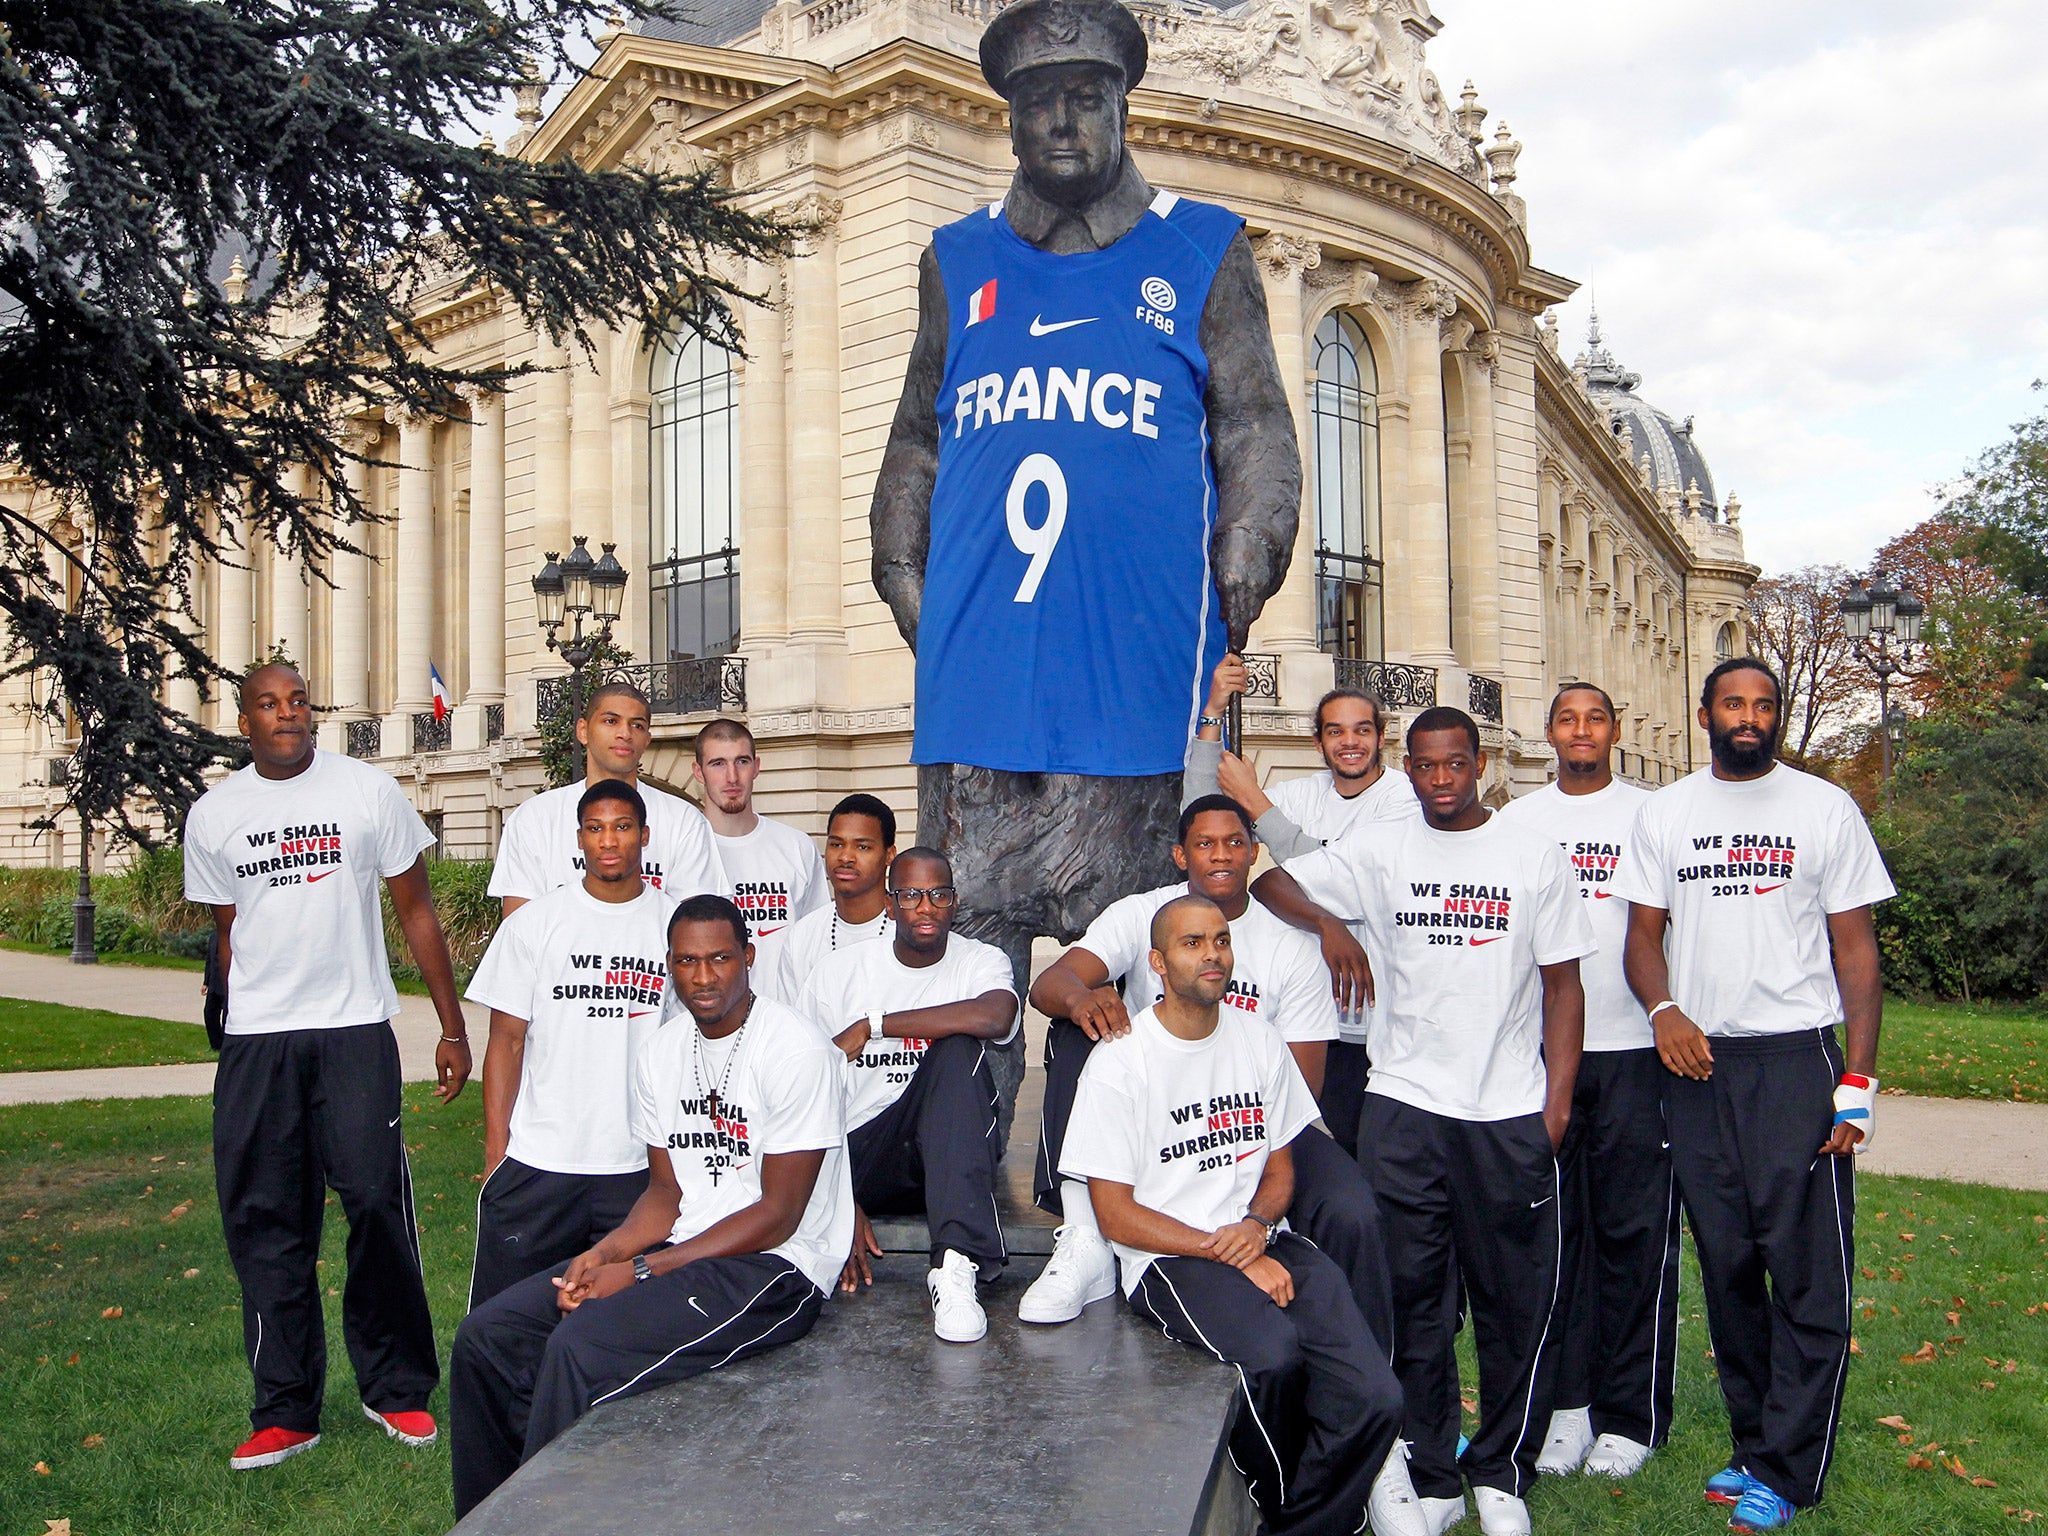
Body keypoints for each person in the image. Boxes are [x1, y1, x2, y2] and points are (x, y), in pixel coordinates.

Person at [1253, 706, 1593, 1536]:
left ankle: (1502, 1472)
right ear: (1410, 768)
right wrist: (1334, 923)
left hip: (1506, 1109)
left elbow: (1564, 987)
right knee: (1416, 1304)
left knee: (1513, 1302)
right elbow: (1270, 881)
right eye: (1427, 766)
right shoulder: (1386, 847)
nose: (1440, 780)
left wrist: (1555, 1105)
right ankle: (1434, 1472)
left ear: (1478, 765)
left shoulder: (1530, 851)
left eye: (1454, 765)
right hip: (1403, 1105)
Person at [450, 895, 852, 1518]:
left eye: (720, 958)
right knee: (488, 1336)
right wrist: (601, 1253)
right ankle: (486, 1520)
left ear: (748, 957)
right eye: (688, 961)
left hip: (777, 1267)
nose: (704, 976)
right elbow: (666, 1195)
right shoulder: (662, 1053)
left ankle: (551, 1519)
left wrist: (638, 1273)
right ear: (669, 967)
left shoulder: (795, 1049)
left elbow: (780, 1212)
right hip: (687, 1246)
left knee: (578, 1347)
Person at [1613, 657, 1893, 1535]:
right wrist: (1662, 1009)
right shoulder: (1668, 811)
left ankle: (1790, 1469)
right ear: (1705, 715)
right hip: (1698, 1066)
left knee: (1805, 1275)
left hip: (1795, 1063)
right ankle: (1754, 1442)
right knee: (1729, 1268)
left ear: (1776, 717)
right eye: (1733, 703)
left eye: (1763, 705)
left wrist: (1857, 1081)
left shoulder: (1822, 808)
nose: (1749, 717)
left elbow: (1857, 954)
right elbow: (1641, 937)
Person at [183, 663, 472, 1471]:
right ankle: (285, 1410)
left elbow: (415, 909)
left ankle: (398, 1389)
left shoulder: (367, 793)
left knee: (377, 1202)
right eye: (270, 705)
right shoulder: (214, 814)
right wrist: (233, 1018)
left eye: (299, 701)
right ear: (245, 722)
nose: (288, 714)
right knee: (268, 1221)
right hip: (260, 1043)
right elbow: (229, 931)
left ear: (314, 711)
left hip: (353, 1030)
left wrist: (450, 1027)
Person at [1061, 894, 1412, 1536]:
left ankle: (1308, 1523)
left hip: (1260, 1238)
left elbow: (1280, 1168)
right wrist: (1228, 1254)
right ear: (1159, 963)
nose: (1212, 954)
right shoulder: (1121, 1062)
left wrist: (1253, 1231)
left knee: (1378, 1397)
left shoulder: (1258, 1040)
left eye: (1220, 940)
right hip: (1169, 1258)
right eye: (1193, 943)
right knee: (1273, 1359)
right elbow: (1114, 1215)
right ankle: (1300, 1516)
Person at [1021, 796, 1392, 1362]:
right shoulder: (1143, 913)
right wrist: (1084, 997)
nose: (1220, 855)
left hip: (1257, 1121)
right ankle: (1084, 1236)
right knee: (1078, 1029)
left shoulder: (1290, 947)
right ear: (1180, 855)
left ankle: (1371, 1382)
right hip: (1156, 1118)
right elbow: (1051, 983)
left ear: (1253, 852)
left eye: (1234, 842)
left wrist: (1244, 1168)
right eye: (1204, 843)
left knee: (1355, 1211)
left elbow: (1302, 1087)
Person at [1497, 684, 1678, 1480]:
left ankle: (1629, 1416)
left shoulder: (1650, 815)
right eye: (1567, 719)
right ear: (1549, 734)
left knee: (1635, 1235)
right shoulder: (1517, 823)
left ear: (1612, 732)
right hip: (1543, 1057)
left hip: (1635, 1048)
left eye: (1594, 719)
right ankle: (1566, 1410)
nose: (1580, 730)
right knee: (1554, 1239)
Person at [1186, 656, 1419, 1154]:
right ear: (1319, 743)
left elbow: (1344, 875)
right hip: (1305, 1017)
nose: (1349, 742)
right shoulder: (1303, 793)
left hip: (1375, 1024)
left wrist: (1259, 806)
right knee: (1298, 1153)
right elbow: (1203, 815)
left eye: (1361, 730)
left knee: (1371, 1161)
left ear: (1381, 737)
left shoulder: (1404, 800)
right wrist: (1213, 710)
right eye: (1335, 732)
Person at [463, 779, 677, 1308]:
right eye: (596, 828)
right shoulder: (534, 924)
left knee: (620, 1326)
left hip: (637, 1167)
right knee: (507, 1321)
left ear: (644, 836)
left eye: (623, 827)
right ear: (578, 839)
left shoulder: (677, 926)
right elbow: (506, 1043)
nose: (609, 841)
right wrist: (497, 1153)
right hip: (541, 1159)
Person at [798, 847, 1018, 1342]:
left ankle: (955, 1266)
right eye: (911, 895)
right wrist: (833, 1195)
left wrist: (876, 1025)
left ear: (954, 902)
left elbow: (996, 1017)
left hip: (946, 1151)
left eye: (938, 895)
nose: (925, 907)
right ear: (890, 904)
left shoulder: (981, 961)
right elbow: (802, 1091)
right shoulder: (838, 974)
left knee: (958, 1047)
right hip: (862, 1156)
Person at [488, 682, 727, 916]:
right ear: (583, 731)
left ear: (647, 739)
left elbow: (697, 926)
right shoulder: (534, 818)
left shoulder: (684, 820)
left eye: (637, 725)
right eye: (611, 721)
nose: (625, 734)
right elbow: (518, 928)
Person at [753, 793, 897, 1006]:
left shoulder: (908, 929)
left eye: (862, 847)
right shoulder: (802, 937)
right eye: (837, 844)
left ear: (889, 855)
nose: (846, 857)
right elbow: (790, 1024)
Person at [692, 716, 827, 940]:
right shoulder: (683, 849)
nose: (732, 777)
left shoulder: (797, 846)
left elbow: (815, 940)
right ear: (698, 772)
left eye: (742, 762)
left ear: (756, 767)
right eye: (718, 764)